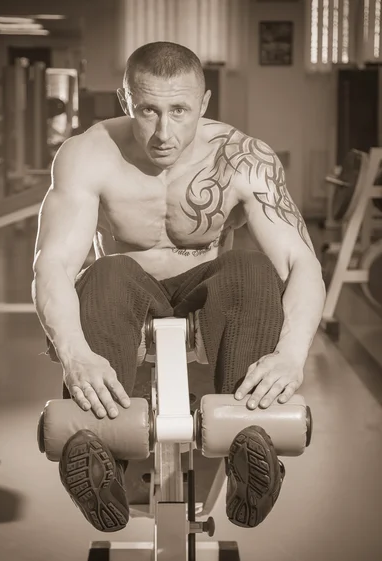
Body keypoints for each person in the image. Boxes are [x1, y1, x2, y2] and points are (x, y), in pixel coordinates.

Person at [32, 41, 325, 533]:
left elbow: (301, 263)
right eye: (148, 110)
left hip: (206, 292)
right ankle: (100, 460)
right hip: (126, 294)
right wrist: (74, 353)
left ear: (204, 103)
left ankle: (248, 449)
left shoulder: (242, 156)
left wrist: (291, 356)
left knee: (250, 268)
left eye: (179, 110)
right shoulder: (88, 154)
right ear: (126, 101)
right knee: (103, 273)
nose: (164, 132)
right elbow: (53, 264)